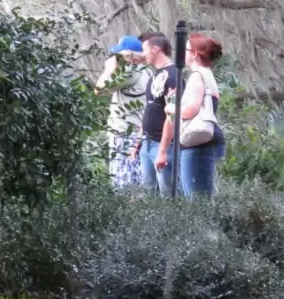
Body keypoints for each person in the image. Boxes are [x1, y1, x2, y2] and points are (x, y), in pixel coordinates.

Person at [157, 33, 226, 196]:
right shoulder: (207, 74)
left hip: (198, 143)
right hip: (202, 142)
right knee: (197, 195)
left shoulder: (197, 76)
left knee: (196, 199)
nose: (183, 54)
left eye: (186, 49)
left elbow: (190, 110)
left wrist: (171, 107)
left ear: (194, 53)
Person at [95, 35, 147, 189]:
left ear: (129, 56)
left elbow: (99, 89)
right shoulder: (146, 72)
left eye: (118, 56)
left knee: (122, 182)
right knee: (136, 181)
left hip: (124, 135)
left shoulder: (130, 73)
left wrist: (109, 68)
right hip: (137, 134)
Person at [137, 34, 178, 193]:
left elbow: (173, 116)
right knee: (148, 195)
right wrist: (139, 141)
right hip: (147, 144)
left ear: (156, 49)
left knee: (167, 194)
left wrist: (162, 151)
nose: (143, 54)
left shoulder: (174, 76)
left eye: (144, 49)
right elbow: (150, 108)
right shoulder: (154, 75)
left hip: (165, 146)